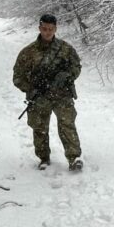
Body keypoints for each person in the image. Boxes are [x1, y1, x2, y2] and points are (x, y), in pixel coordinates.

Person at [13, 14, 84, 171]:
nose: (47, 32)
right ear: (39, 28)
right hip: (40, 97)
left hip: (62, 95)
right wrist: (32, 88)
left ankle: (74, 158)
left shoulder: (65, 49)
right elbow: (17, 77)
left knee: (67, 125)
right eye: (44, 29)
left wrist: (66, 76)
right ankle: (43, 158)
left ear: (55, 29)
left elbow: (76, 67)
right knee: (39, 128)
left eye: (51, 29)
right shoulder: (28, 52)